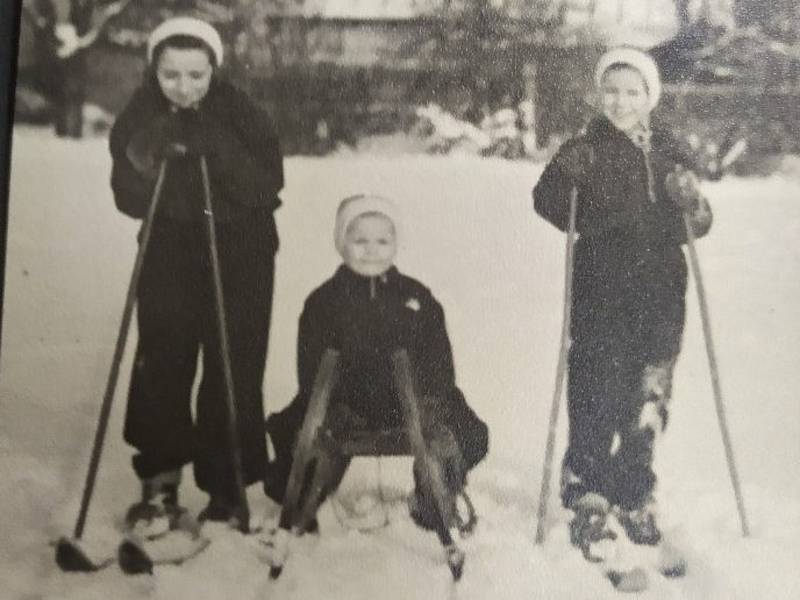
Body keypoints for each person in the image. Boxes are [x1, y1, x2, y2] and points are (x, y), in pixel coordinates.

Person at [532, 47, 713, 553]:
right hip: (602, 288)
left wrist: (690, 200)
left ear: (650, 97)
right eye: (611, 90)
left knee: (647, 393)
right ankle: (586, 486)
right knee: (596, 381)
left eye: (633, 91)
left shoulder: (671, 152)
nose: (621, 101)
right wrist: (563, 174)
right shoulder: (586, 147)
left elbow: (698, 223)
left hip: (659, 292)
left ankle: (634, 487)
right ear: (597, 94)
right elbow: (547, 204)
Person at [108, 16, 284, 529]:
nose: (184, 87)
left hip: (242, 252)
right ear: (153, 72)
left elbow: (267, 184)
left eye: (196, 75)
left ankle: (227, 484)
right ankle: (159, 484)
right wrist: (147, 155)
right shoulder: (141, 114)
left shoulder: (242, 113)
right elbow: (125, 195)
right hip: (169, 251)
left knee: (232, 365)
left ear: (215, 70)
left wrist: (220, 150)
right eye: (171, 76)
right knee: (163, 359)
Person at [264, 194, 489, 531]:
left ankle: (434, 486)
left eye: (383, 240)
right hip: (344, 405)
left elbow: (440, 363)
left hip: (409, 404)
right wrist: (330, 405)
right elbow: (310, 368)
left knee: (466, 430)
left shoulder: (416, 299)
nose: (372, 250)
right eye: (360, 240)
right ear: (342, 243)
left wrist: (427, 397)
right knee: (297, 435)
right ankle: (311, 482)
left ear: (396, 243)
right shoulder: (323, 302)